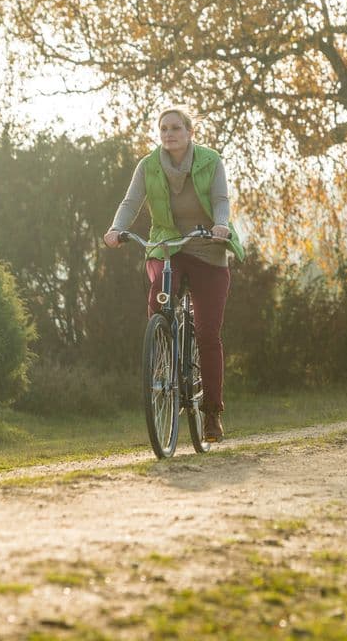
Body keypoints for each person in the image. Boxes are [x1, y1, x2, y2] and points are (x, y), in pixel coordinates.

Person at [104, 109, 245, 442]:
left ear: (189, 131)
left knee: (209, 333)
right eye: (164, 128)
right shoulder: (148, 165)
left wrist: (220, 225)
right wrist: (116, 228)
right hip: (167, 245)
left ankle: (211, 413)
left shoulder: (211, 161)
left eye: (176, 128)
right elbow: (131, 202)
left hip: (207, 247)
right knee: (158, 292)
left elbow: (221, 199)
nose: (169, 134)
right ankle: (164, 348)